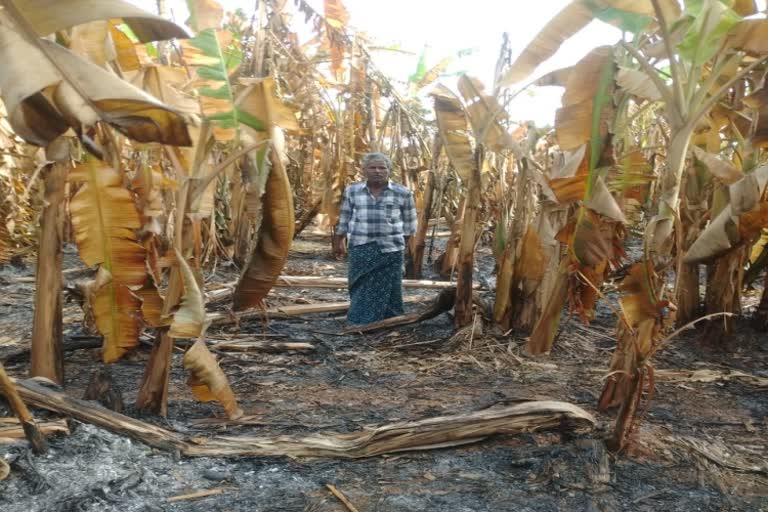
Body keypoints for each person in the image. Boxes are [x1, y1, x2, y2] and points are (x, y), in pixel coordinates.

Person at [333, 152, 417, 325]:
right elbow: (344, 218)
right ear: (364, 170)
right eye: (372, 167)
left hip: (391, 248)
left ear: (388, 170)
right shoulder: (353, 191)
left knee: (392, 287)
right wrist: (339, 240)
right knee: (359, 284)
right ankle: (360, 321)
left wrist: (406, 245)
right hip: (360, 246)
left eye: (382, 167)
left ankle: (391, 319)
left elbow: (410, 223)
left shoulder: (403, 192)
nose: (377, 171)